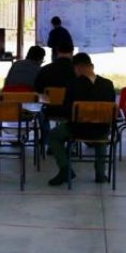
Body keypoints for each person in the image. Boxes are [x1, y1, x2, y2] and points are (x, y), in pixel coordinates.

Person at [47, 52, 115, 186]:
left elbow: (66, 111)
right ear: (92, 66)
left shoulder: (73, 84)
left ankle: (65, 169)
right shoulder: (108, 84)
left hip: (77, 130)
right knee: (101, 134)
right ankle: (100, 174)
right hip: (102, 129)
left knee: (53, 135)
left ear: (77, 68)